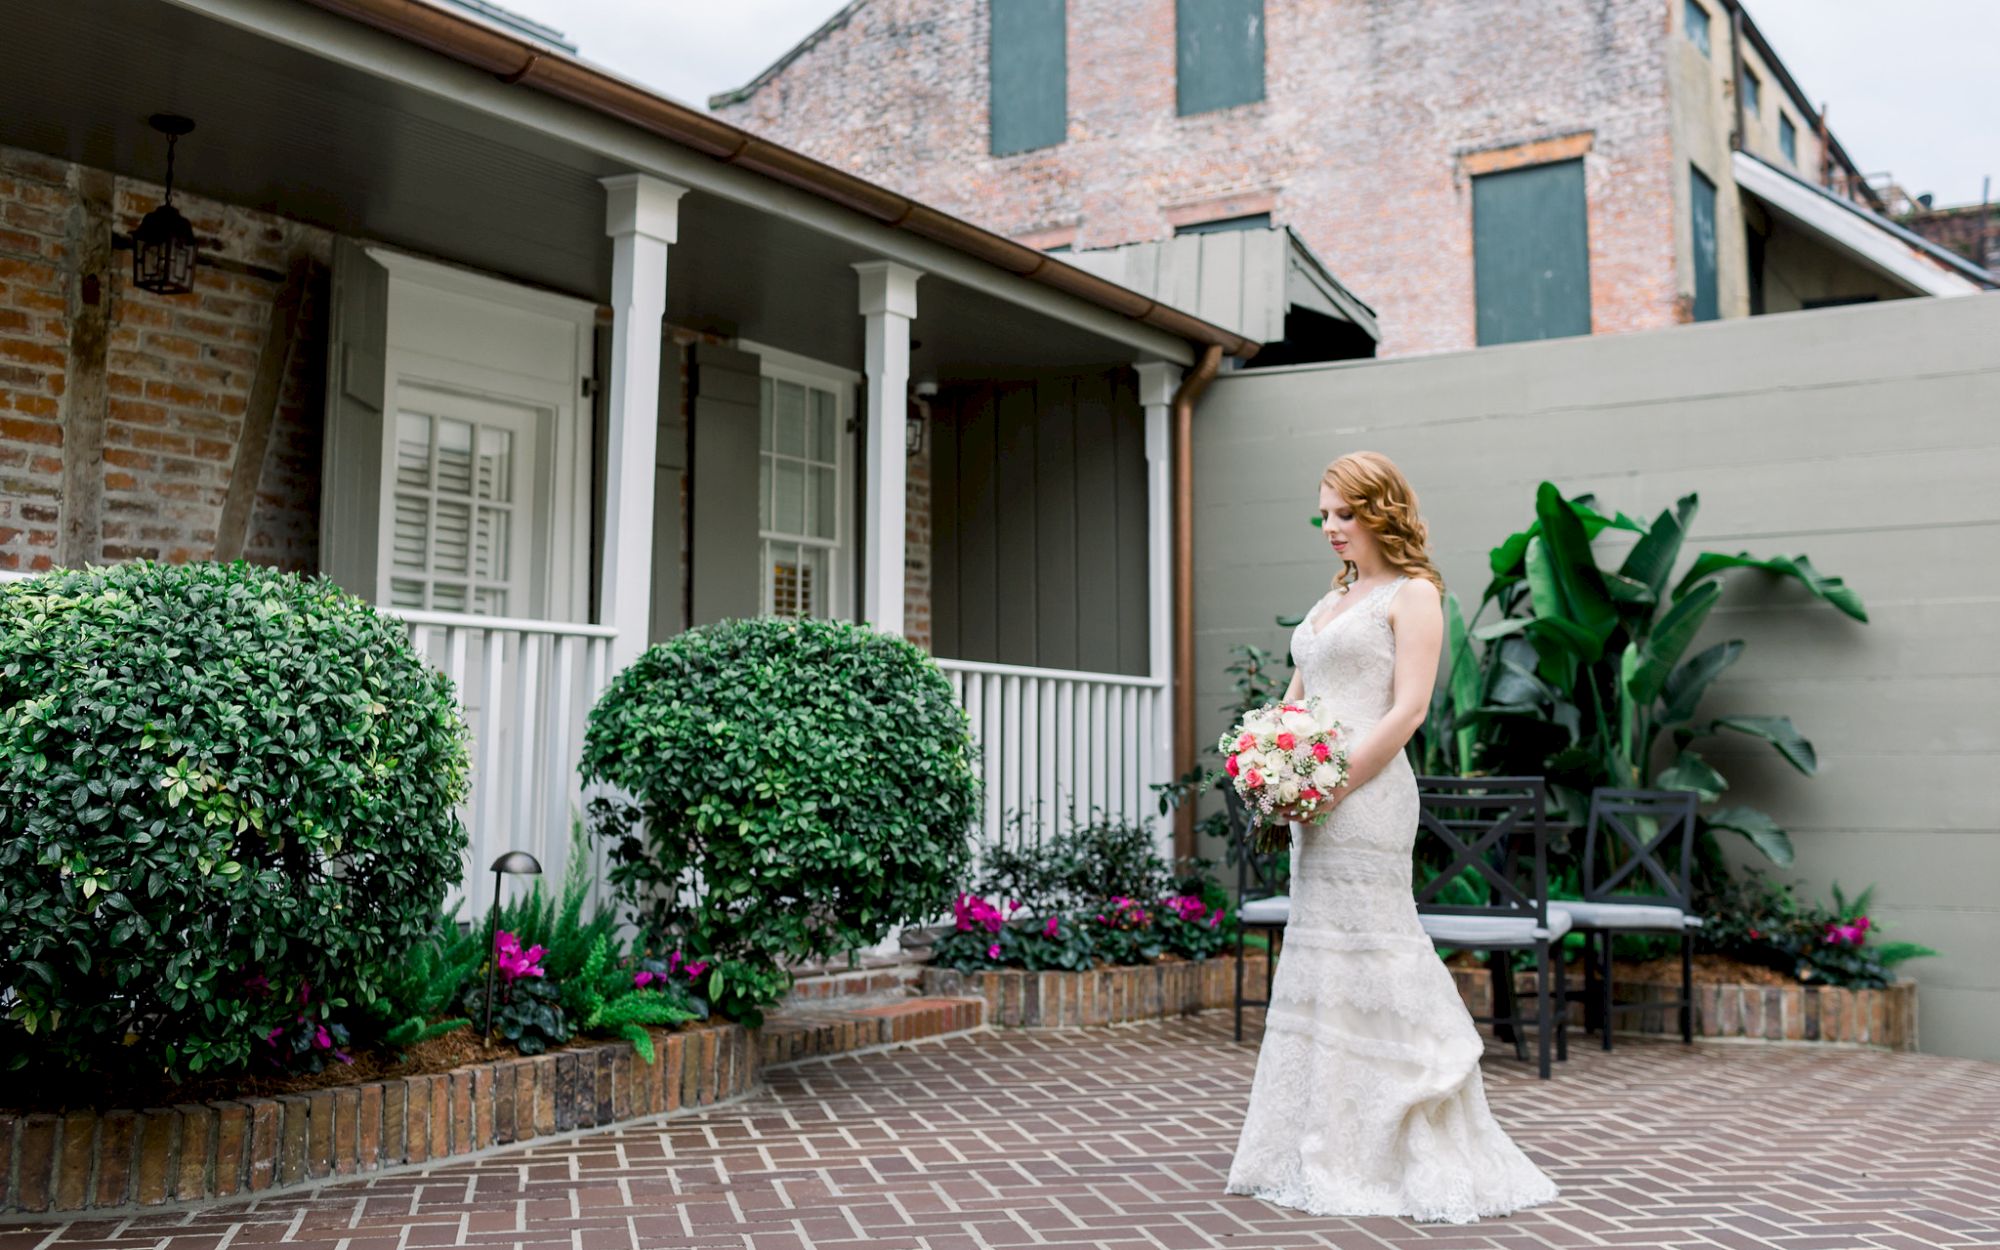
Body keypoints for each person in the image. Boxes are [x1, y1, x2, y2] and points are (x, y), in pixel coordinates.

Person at [1224, 450, 1559, 1224]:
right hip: (1313, 804)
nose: (1331, 529)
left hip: (1368, 799)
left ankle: (1407, 1120)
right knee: (1321, 961)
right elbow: (1293, 704)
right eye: (1324, 515)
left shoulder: (1416, 597)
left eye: (1345, 513)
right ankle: (1324, 1144)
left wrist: (1332, 785)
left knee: (1378, 950)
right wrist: (1270, 771)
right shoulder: (1329, 602)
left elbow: (1405, 712)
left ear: (1382, 510)